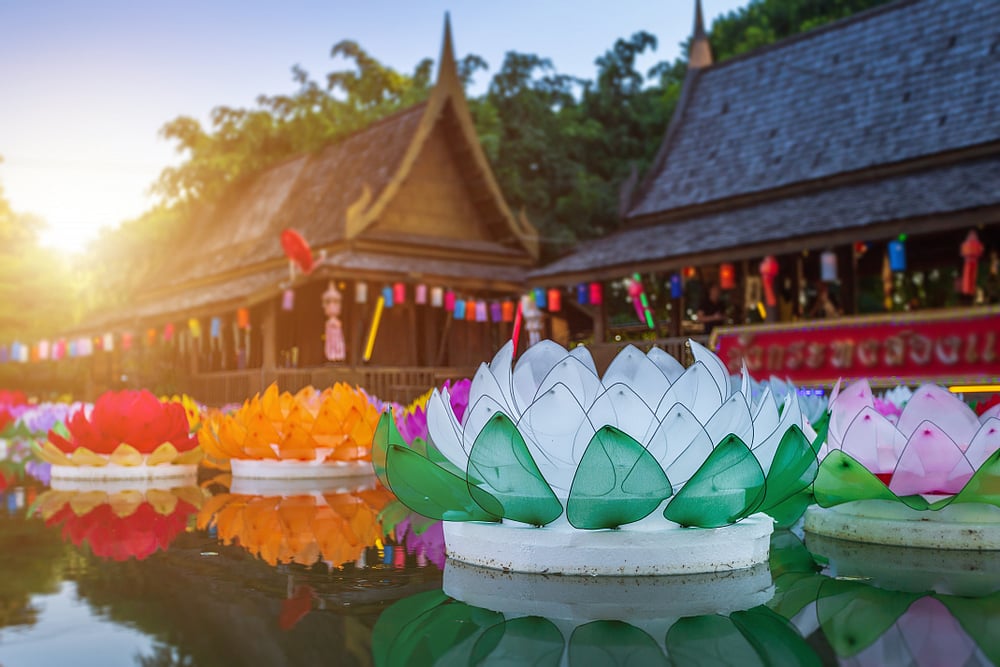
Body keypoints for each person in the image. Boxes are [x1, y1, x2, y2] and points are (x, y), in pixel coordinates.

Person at [323, 282, 346, 362]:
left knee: (337, 341)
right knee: (330, 342)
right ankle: (331, 355)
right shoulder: (328, 322)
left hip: (335, 327)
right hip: (330, 328)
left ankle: (338, 355)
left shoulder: (337, 299)